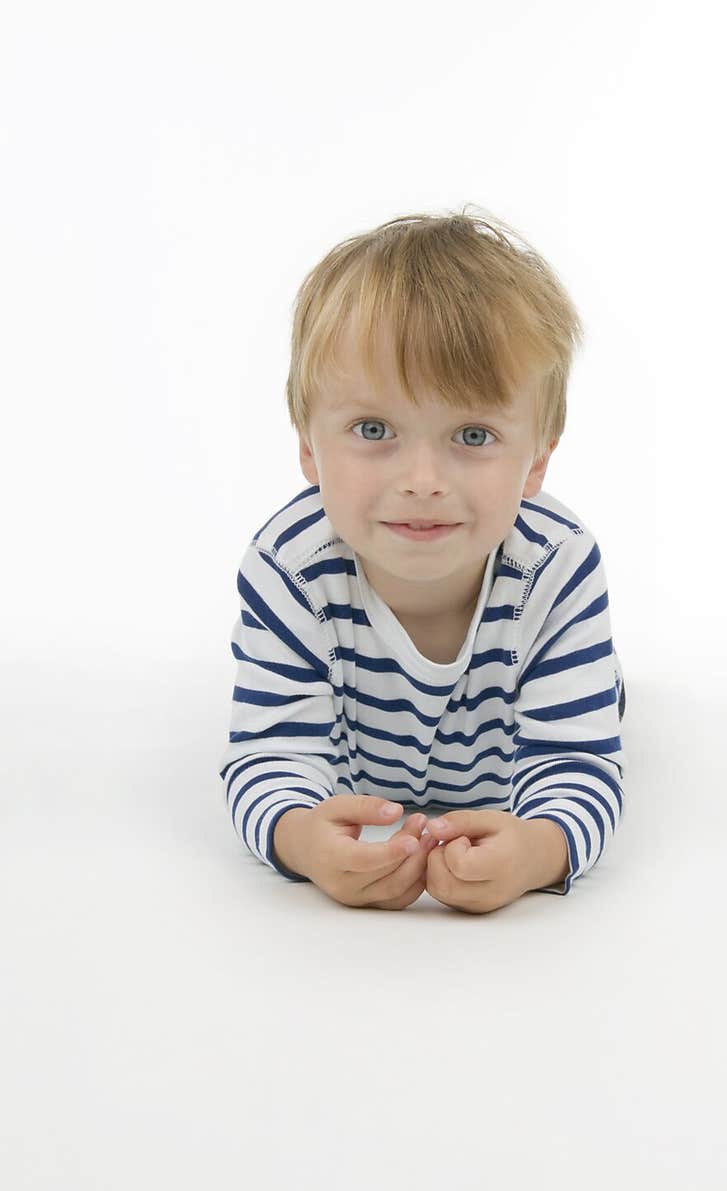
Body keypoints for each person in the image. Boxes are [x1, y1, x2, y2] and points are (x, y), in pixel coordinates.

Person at [218, 207, 627, 913]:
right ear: (310, 447)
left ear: (538, 459)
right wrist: (303, 841)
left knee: (592, 708)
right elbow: (268, 757)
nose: (423, 479)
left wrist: (539, 849)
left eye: (473, 433)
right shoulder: (290, 569)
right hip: (365, 771)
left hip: (515, 750)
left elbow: (579, 767)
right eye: (373, 429)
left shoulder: (555, 568)